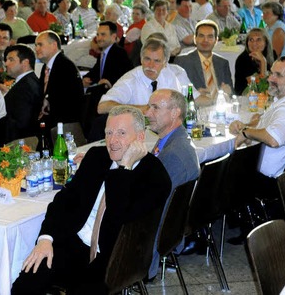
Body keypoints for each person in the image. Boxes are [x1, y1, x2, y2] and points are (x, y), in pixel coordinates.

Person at [12, 106, 171, 294]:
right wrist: (46, 239)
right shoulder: (96, 157)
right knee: (26, 283)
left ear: (140, 137)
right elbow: (63, 200)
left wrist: (124, 169)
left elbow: (118, 218)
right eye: (109, 133)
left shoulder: (156, 177)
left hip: (115, 256)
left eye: (121, 133)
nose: (113, 141)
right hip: (77, 242)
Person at [144, 89, 200, 279]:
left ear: (175, 113)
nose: (147, 113)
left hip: (151, 235)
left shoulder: (174, 154)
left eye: (155, 108)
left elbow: (146, 197)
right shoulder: (173, 140)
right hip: (171, 231)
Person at [229, 56, 285, 215]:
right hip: (271, 175)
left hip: (264, 180)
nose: (270, 78)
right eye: (271, 73)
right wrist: (247, 126)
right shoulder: (283, 101)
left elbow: (274, 139)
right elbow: (268, 126)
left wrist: (246, 132)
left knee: (210, 169)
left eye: (278, 75)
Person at [98, 38, 198, 115]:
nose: (150, 65)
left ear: (165, 63)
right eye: (147, 59)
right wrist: (141, 109)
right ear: (141, 59)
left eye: (157, 61)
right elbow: (102, 107)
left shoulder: (169, 76)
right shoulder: (130, 80)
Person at [36, 30, 84, 130]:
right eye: (36, 45)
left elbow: (68, 100)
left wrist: (47, 101)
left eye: (40, 45)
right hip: (53, 120)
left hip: (64, 124)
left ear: (54, 45)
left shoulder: (65, 66)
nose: (36, 48)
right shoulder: (47, 66)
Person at [174, 20, 233, 100]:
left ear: (216, 41)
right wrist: (194, 95)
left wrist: (228, 92)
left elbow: (231, 92)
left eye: (210, 37)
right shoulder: (182, 61)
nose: (205, 40)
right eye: (201, 36)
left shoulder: (223, 63)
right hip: (197, 107)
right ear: (195, 39)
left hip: (220, 106)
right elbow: (176, 94)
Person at [3, 44, 42, 140]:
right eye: (6, 60)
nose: (6, 63)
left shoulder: (24, 87)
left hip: (20, 143)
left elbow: (21, 123)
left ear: (25, 63)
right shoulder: (31, 80)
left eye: (11, 60)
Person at [83, 22, 132, 90]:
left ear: (113, 36)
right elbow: (97, 70)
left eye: (103, 35)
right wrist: (86, 78)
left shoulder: (120, 53)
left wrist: (109, 82)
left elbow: (125, 75)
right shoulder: (103, 52)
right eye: (98, 35)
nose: (99, 38)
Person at [234, 28, 274, 95]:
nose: (254, 43)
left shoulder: (272, 55)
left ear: (266, 42)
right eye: (251, 40)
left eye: (258, 39)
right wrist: (263, 62)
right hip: (247, 97)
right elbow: (258, 88)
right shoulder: (243, 59)